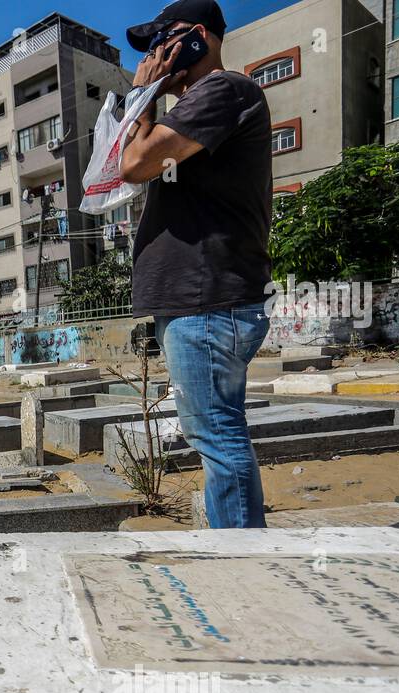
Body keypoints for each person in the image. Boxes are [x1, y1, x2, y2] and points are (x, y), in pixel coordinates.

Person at [119, 0, 273, 528]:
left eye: (166, 39)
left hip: (209, 297)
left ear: (199, 36)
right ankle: (236, 544)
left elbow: (136, 163)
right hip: (200, 300)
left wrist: (143, 96)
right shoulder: (200, 105)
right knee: (216, 432)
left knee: (217, 434)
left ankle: (241, 560)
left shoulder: (224, 91)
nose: (156, 54)